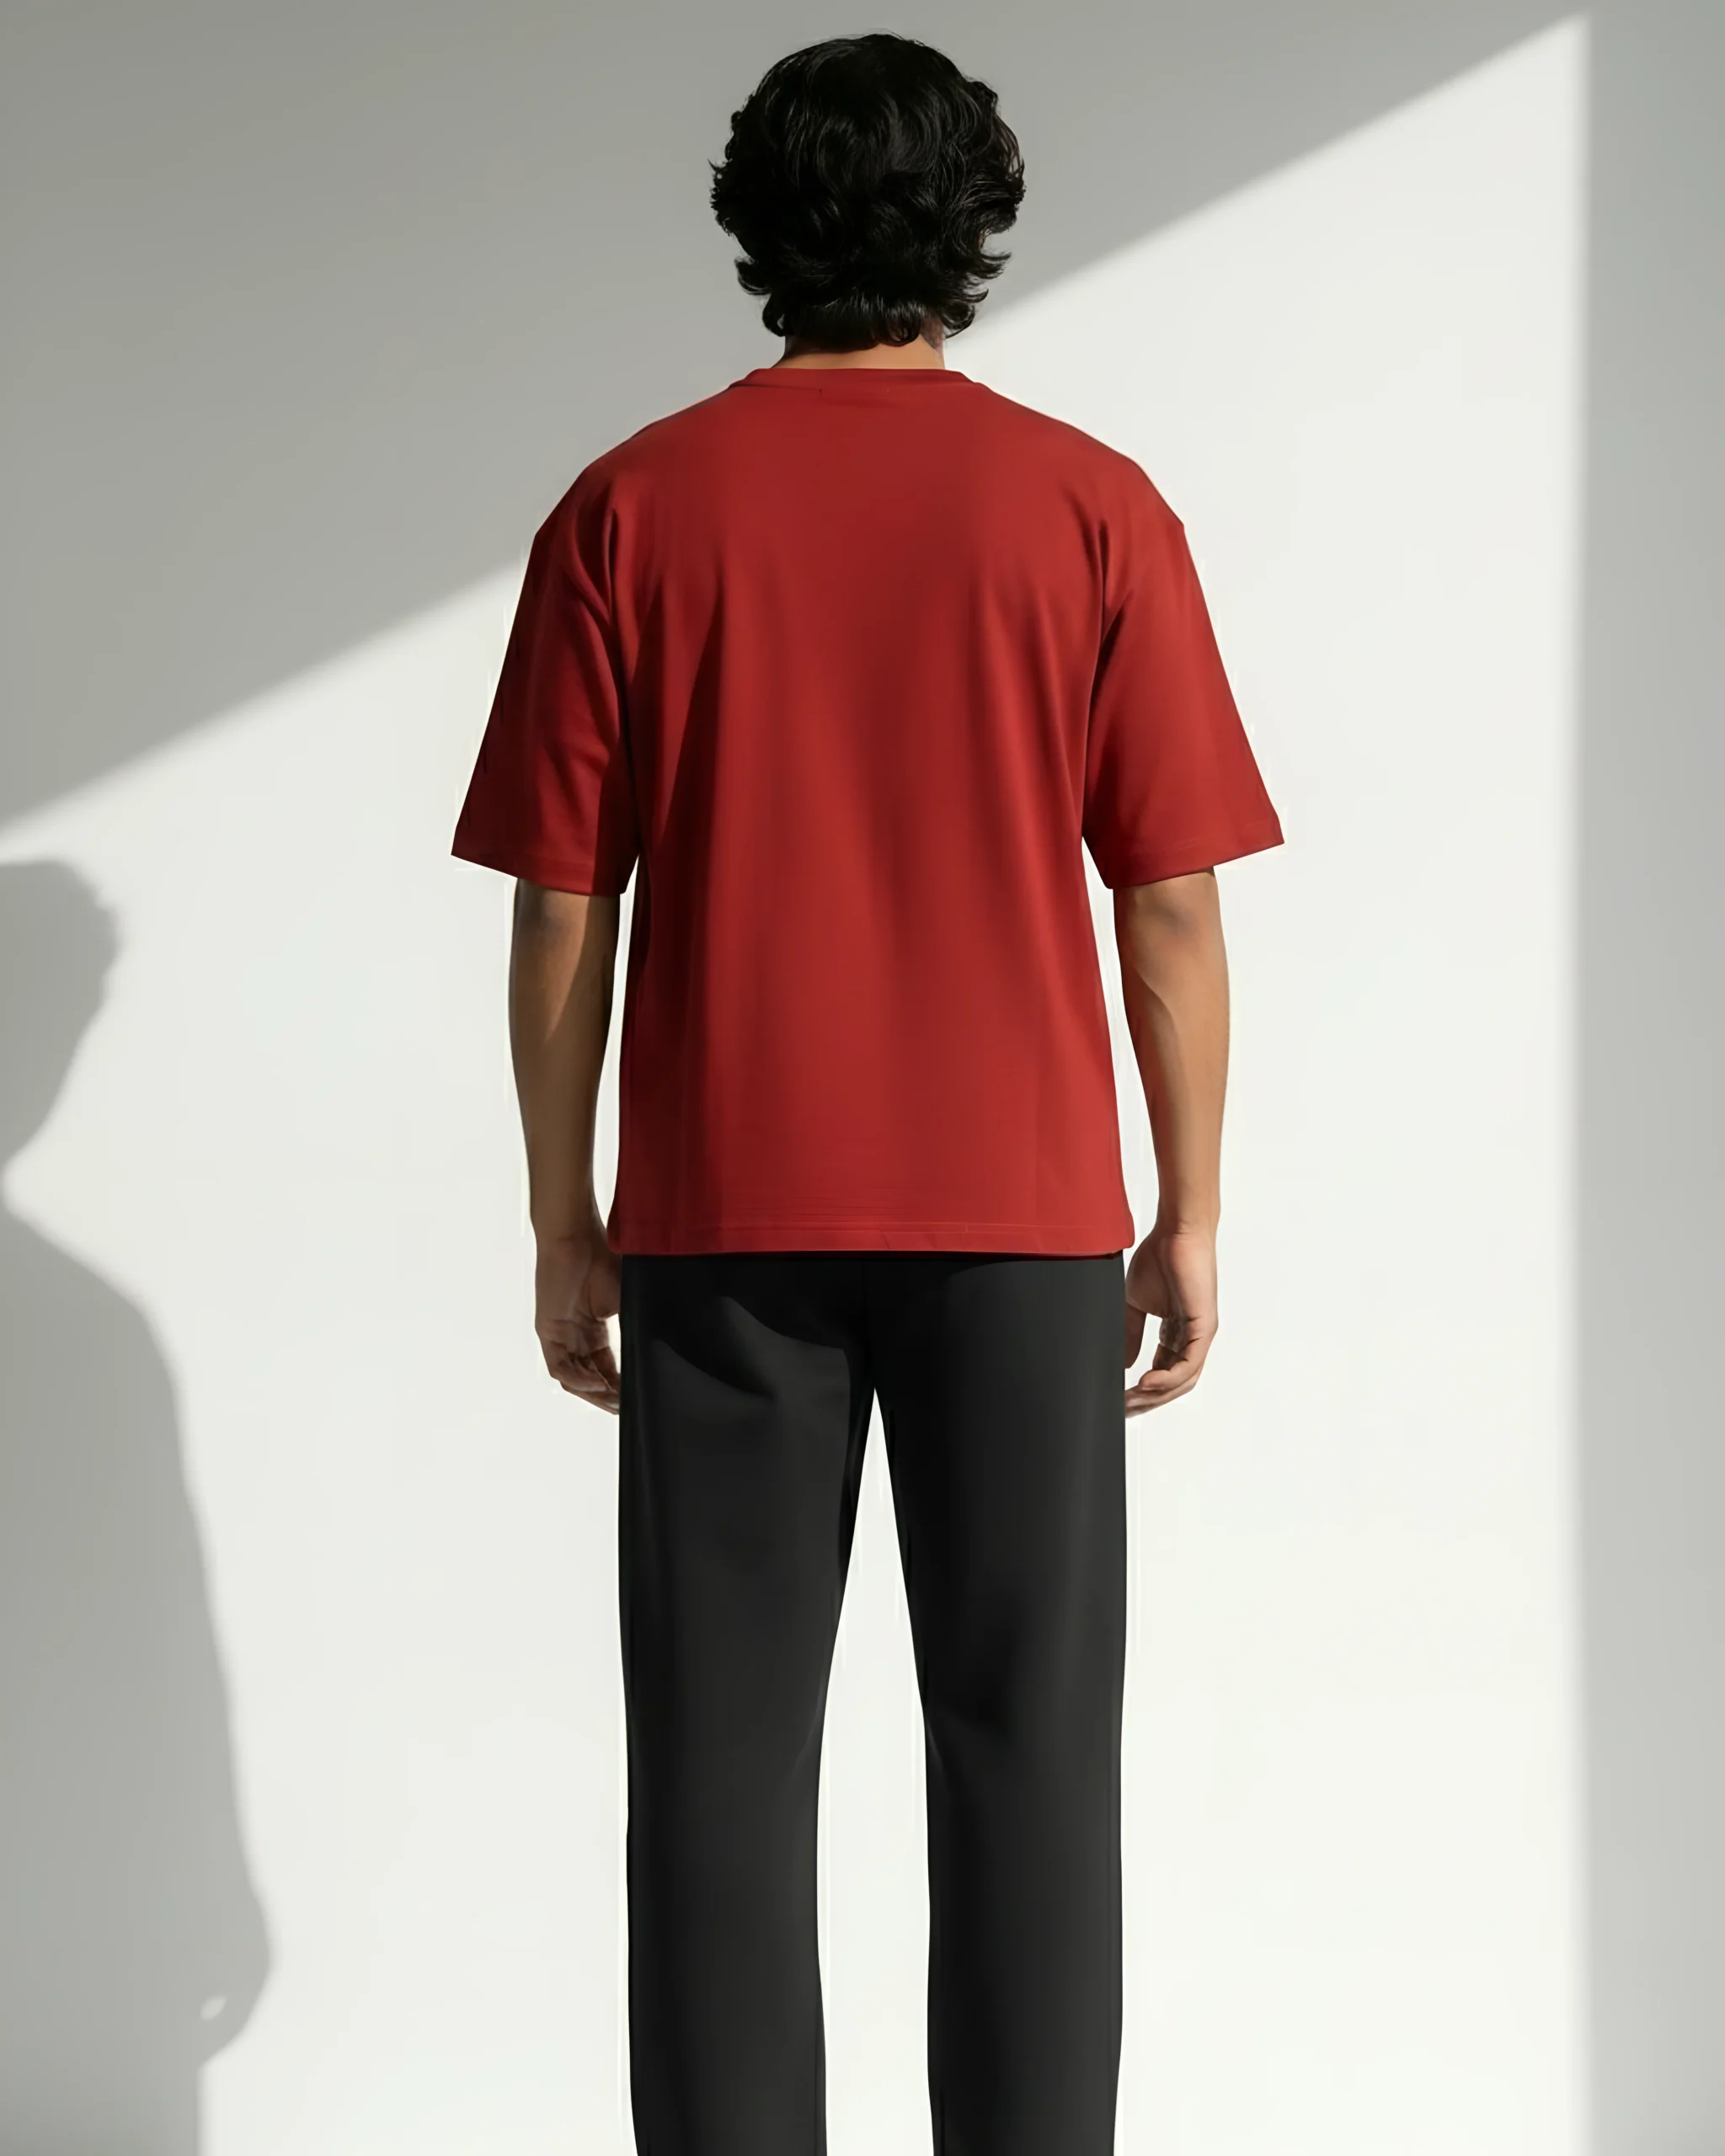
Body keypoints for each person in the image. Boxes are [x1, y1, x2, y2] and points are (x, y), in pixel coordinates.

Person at [451, 30, 1282, 2155]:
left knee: (718, 1768)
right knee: (1030, 1756)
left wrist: (565, 1215)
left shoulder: (630, 507)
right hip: (1021, 1220)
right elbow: (1168, 906)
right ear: (975, 222)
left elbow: (561, 911)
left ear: (755, 223)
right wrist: (1187, 1207)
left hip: (723, 1213)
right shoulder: (1088, 506)